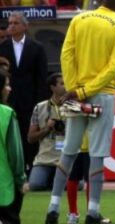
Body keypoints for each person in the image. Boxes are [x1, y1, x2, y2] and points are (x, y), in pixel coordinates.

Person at [44, 0, 115, 224]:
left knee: (69, 151)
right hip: (102, 93)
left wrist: (74, 88)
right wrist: (86, 90)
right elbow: (114, 67)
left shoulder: (79, 19)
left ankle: (53, 207)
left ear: (101, 0)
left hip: (75, 94)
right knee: (98, 154)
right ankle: (93, 211)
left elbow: (66, 55)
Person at [0, 12, 48, 169]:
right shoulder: (2, 48)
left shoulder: (37, 47)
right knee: (11, 136)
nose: (11, 26)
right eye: (10, 23)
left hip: (31, 100)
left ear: (25, 26)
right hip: (9, 101)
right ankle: (14, 168)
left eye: (15, 23)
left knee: (30, 136)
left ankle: (32, 168)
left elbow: (42, 78)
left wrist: (41, 103)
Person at [27, 74, 66, 192]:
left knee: (76, 185)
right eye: (62, 83)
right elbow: (30, 138)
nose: (66, 86)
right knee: (35, 185)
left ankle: (53, 180)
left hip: (66, 158)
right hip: (45, 158)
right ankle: (53, 180)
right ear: (52, 87)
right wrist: (47, 128)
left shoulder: (74, 106)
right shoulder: (40, 107)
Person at [0, 72, 25, 224]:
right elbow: (16, 154)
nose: (9, 89)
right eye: (6, 85)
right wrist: (20, 179)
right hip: (4, 187)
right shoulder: (6, 114)